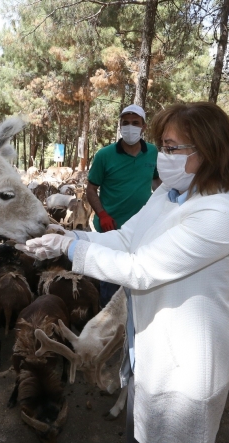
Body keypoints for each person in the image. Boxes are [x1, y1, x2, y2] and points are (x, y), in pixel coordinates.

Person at [21, 102, 229, 443]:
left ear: (207, 151)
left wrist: (69, 250)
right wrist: (70, 234)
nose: (163, 155)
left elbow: (141, 268)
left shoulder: (219, 212)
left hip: (182, 364)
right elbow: (127, 239)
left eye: (173, 147)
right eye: (163, 144)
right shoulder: (170, 194)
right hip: (147, 350)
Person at [87, 104, 161, 306]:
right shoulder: (104, 155)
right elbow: (91, 189)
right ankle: (108, 323)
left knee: (138, 275)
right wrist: (102, 214)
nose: (130, 127)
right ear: (120, 126)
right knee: (111, 279)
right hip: (112, 227)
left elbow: (156, 182)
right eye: (125, 123)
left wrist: (166, 201)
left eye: (135, 123)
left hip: (143, 228)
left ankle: (134, 319)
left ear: (144, 126)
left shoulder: (153, 153)